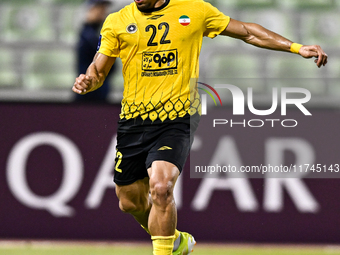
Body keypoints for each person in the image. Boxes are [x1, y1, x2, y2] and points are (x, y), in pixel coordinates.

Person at [72, 0, 328, 254]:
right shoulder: (117, 20)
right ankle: (175, 241)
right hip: (134, 120)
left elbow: (248, 32)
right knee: (129, 202)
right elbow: (98, 70)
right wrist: (88, 81)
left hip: (177, 116)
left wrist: (296, 47)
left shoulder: (195, 10)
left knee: (161, 187)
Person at [74, 0, 115, 102]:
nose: (103, 12)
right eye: (100, 8)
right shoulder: (88, 35)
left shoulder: (95, 33)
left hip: (97, 91)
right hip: (89, 94)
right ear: (90, 9)